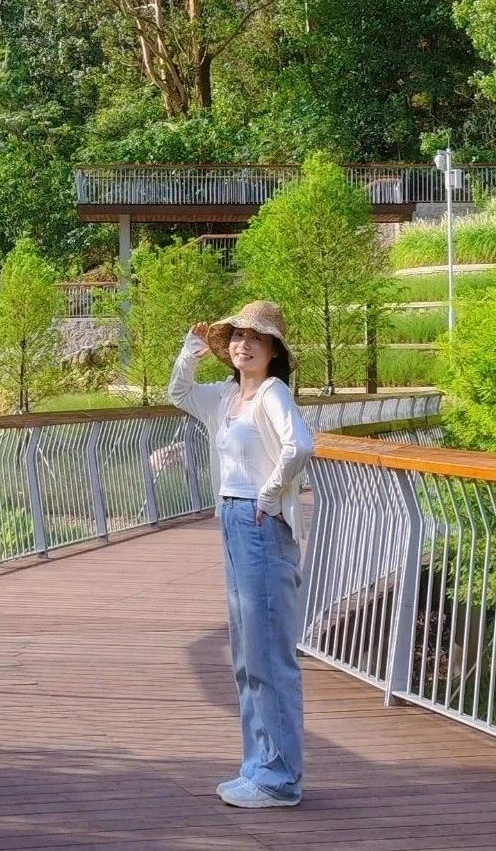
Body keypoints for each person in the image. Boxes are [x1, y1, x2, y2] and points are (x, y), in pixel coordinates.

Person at [168, 301, 315, 809]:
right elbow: (178, 392)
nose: (243, 345)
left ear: (273, 350)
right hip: (232, 521)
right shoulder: (227, 397)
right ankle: (257, 767)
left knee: (269, 654)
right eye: (235, 337)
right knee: (245, 654)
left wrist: (271, 494)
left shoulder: (273, 394)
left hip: (260, 523)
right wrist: (191, 347)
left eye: (256, 338)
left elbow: (300, 446)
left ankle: (279, 779)